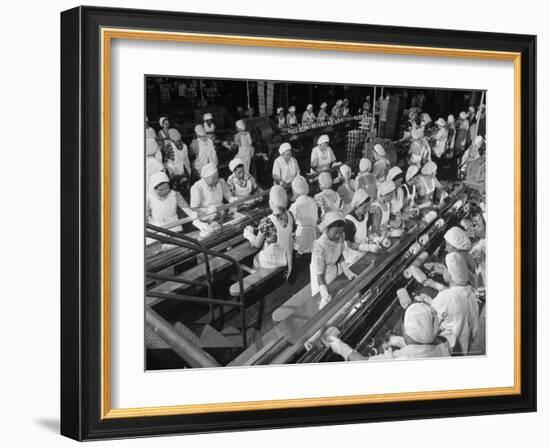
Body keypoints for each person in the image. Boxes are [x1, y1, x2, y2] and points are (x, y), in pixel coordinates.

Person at [327, 302, 450, 361]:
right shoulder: (442, 347)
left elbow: (363, 364)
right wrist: (401, 342)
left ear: (407, 330)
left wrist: (341, 348)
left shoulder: (398, 360)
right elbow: (421, 348)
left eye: (403, 324)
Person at [425, 252, 480, 355]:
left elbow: (430, 317)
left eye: (444, 269)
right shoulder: (470, 290)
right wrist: (434, 288)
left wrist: (424, 301)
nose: (443, 272)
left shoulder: (445, 298)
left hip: (451, 348)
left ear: (450, 273)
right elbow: (455, 298)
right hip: (466, 343)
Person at [243, 185, 294, 279]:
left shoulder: (266, 221)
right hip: (282, 258)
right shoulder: (290, 215)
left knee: (255, 259)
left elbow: (257, 244)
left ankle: (257, 285)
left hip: (270, 261)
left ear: (271, 203)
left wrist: (248, 234)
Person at [310, 212, 357, 309]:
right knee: (323, 304)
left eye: (341, 232)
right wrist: (323, 290)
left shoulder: (341, 236)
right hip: (320, 275)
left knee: (336, 298)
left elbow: (339, 254)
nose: (338, 236)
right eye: (336, 232)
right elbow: (320, 273)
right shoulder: (319, 245)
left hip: (333, 269)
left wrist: (347, 271)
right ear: (327, 229)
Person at [189, 163, 235, 235]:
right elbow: (194, 208)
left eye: (217, 176)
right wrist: (207, 211)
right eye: (213, 178)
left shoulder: (220, 181)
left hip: (223, 215)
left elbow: (228, 195)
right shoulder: (197, 187)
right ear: (205, 178)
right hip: (207, 220)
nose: (216, 179)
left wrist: (232, 199)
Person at [343, 189, 380, 264]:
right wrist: (367, 247)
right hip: (352, 256)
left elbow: (367, 230)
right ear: (357, 206)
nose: (367, 209)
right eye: (365, 207)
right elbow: (349, 244)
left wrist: (374, 238)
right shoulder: (349, 221)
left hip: (363, 251)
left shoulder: (366, 215)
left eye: (368, 206)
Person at [289, 176, 318, 255]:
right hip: (312, 234)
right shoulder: (312, 201)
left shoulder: (295, 205)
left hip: (301, 237)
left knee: (299, 253)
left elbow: (290, 224)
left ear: (295, 191)